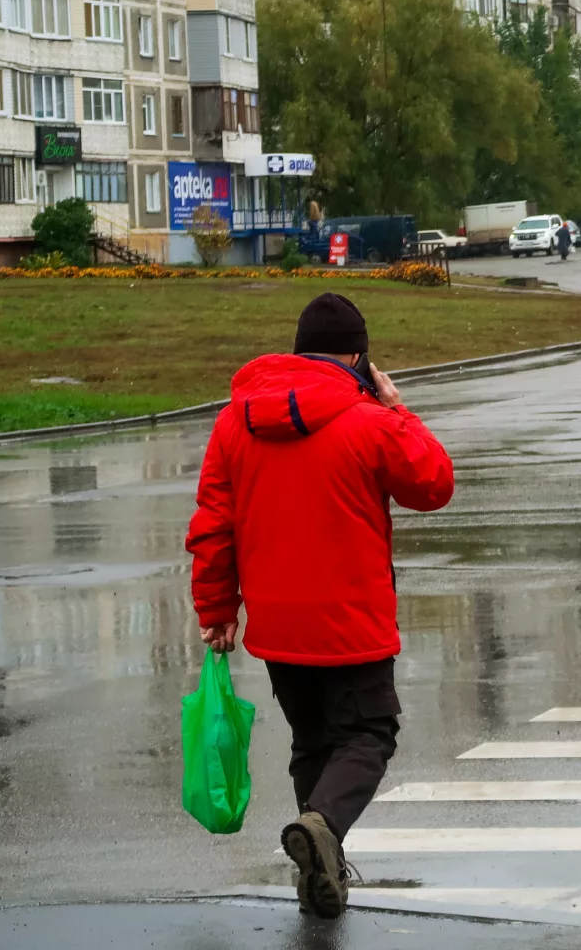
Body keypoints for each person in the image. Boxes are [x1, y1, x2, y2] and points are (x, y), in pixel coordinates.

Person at [185, 293, 454, 919]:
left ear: (297, 350)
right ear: (358, 357)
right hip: (352, 621)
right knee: (367, 734)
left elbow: (213, 523)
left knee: (313, 742)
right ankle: (323, 827)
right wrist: (397, 405)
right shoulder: (370, 421)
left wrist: (217, 606)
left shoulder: (234, 422)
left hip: (278, 627)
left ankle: (319, 872)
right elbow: (434, 484)